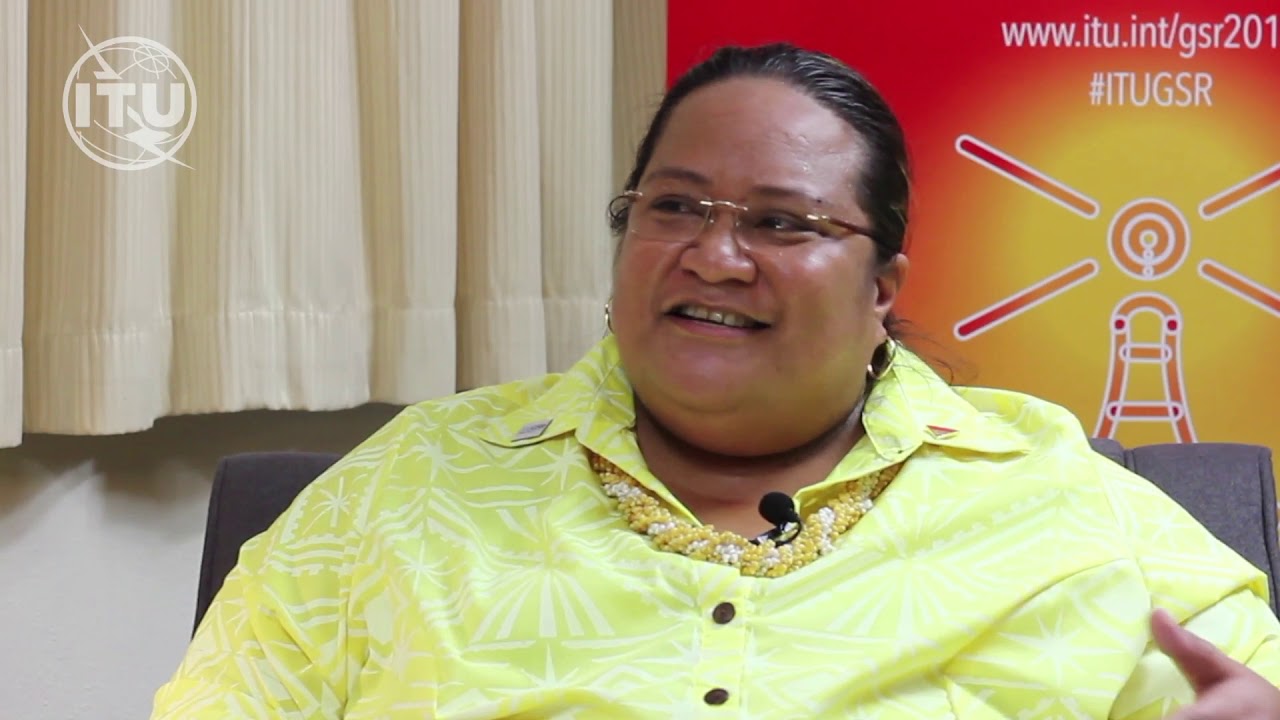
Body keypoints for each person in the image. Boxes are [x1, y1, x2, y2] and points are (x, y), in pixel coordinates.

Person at [151, 43, 1280, 719]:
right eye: (675, 207)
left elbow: (1241, 686)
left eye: (781, 223)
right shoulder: (410, 488)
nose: (714, 254)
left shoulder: (1059, 500)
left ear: (880, 287)